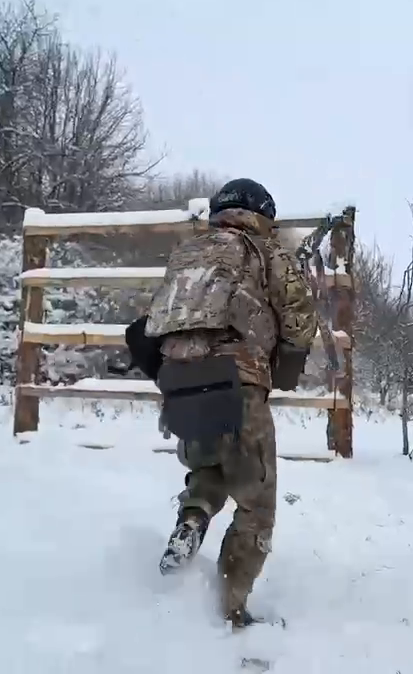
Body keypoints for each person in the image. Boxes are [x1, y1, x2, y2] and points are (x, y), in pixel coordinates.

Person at [139, 177, 317, 629]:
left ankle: (193, 520)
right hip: (237, 380)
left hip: (179, 382)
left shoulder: (189, 252)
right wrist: (286, 370)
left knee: (210, 467)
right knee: (256, 504)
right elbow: (299, 318)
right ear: (263, 214)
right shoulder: (266, 251)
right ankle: (230, 610)